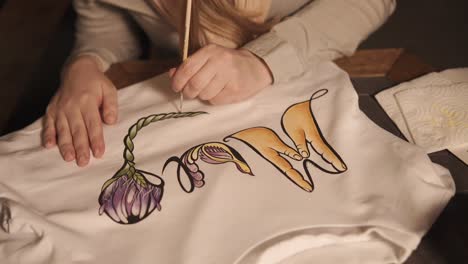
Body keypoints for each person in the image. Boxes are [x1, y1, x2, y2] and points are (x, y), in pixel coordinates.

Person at [42, 0, 396, 167]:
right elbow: (110, 21)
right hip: (180, 85)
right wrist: (85, 63)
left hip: (310, 67)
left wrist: (264, 60)